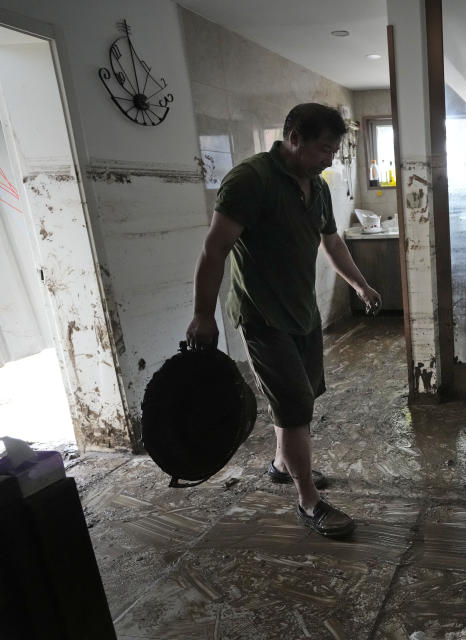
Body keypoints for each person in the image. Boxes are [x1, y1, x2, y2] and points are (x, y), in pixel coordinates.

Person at [186, 103, 381, 538]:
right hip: (263, 316)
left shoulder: (317, 185)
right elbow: (213, 249)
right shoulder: (250, 181)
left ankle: (280, 465)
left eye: (334, 150)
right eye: (324, 149)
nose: (330, 158)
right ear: (294, 138)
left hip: (302, 312)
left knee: (301, 397)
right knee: (295, 405)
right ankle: (308, 501)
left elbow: (331, 242)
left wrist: (360, 286)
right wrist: (203, 314)